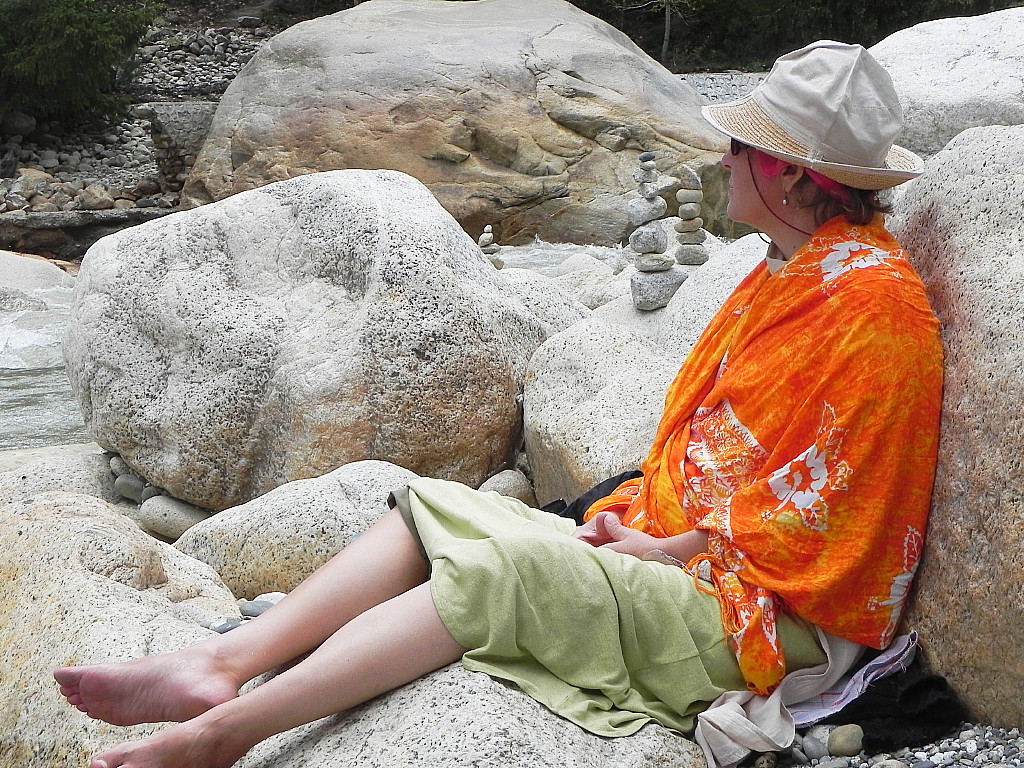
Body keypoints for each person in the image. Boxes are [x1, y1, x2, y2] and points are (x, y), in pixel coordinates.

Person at [53, 40, 943, 768]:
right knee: (428, 511)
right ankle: (221, 662)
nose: (723, 158)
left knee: (491, 575)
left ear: (790, 178)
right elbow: (731, 455)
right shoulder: (798, 271)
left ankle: (223, 735)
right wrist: (649, 527)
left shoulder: (874, 314)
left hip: (764, 624)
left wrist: (669, 547)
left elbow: (833, 523)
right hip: (692, 554)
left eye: (743, 147)